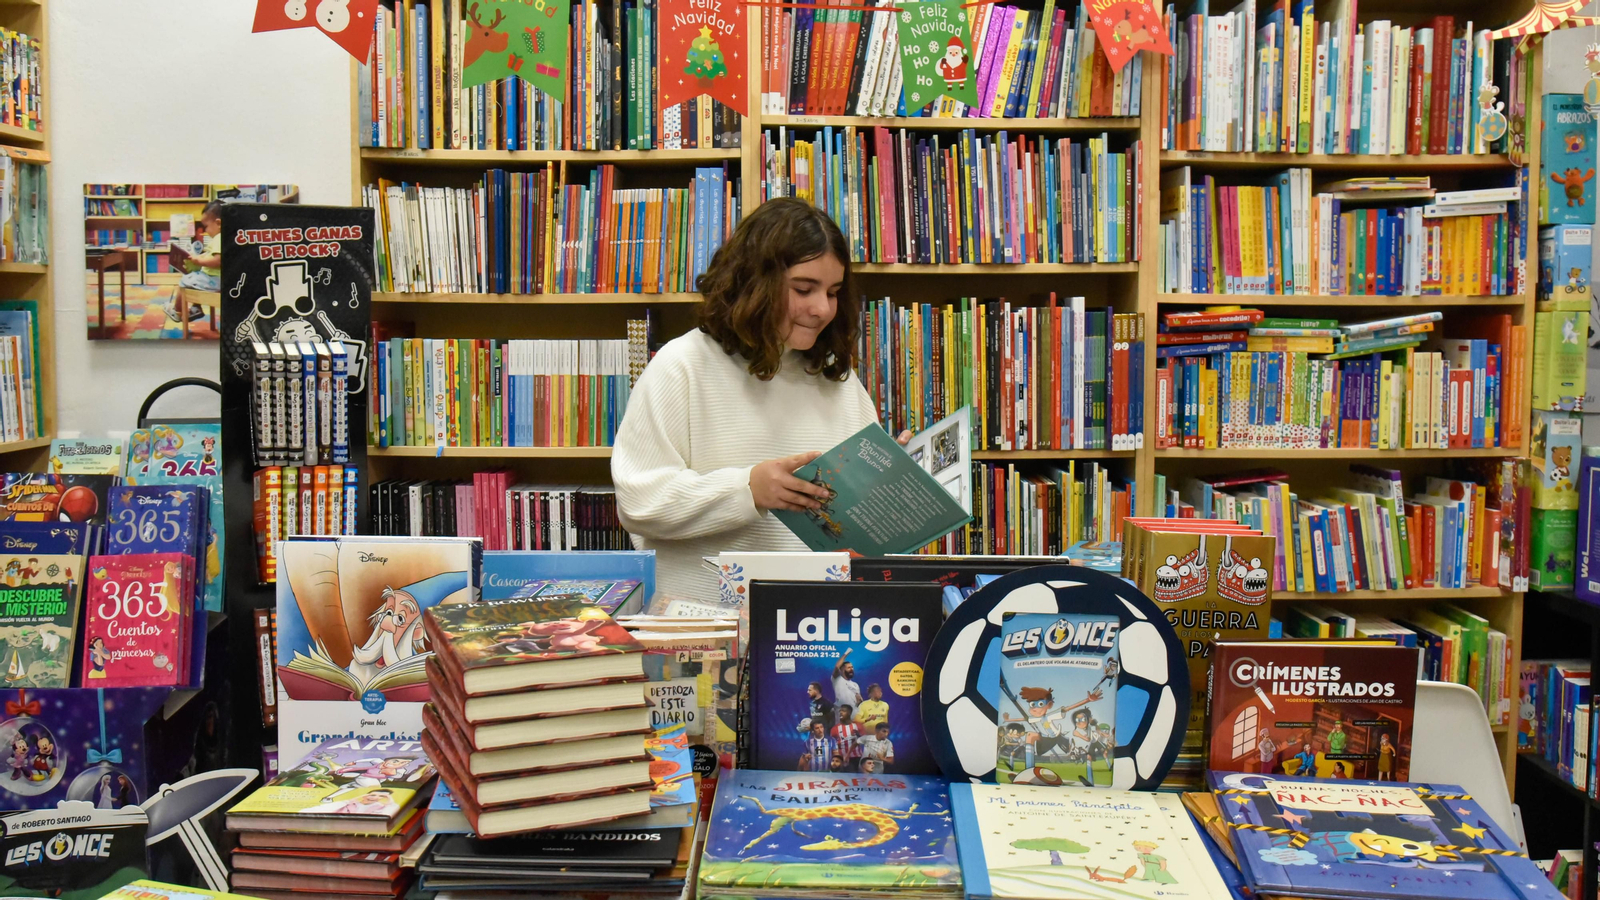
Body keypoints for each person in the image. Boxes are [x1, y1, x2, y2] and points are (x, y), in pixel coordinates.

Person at [611, 199, 911, 599]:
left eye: (834, 292)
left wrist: (891, 482)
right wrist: (746, 489)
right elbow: (638, 502)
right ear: (755, 282)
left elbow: (853, 523)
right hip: (705, 628)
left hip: (819, 624)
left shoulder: (836, 380)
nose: (822, 309)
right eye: (804, 289)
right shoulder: (682, 366)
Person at [168, 201, 223, 324]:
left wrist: (198, 260)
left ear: (218, 223)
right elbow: (212, 254)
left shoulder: (219, 238)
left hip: (215, 280)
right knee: (195, 278)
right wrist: (200, 256)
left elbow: (218, 260)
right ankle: (196, 308)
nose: (205, 230)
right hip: (217, 279)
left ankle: (177, 311)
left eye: (206, 226)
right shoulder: (226, 237)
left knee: (185, 281)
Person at [832, 705, 863, 771]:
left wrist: (859, 735)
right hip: (842, 758)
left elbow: (864, 740)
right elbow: (833, 744)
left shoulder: (858, 726)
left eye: (843, 711)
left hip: (856, 757)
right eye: (840, 711)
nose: (841, 712)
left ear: (849, 713)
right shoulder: (835, 728)